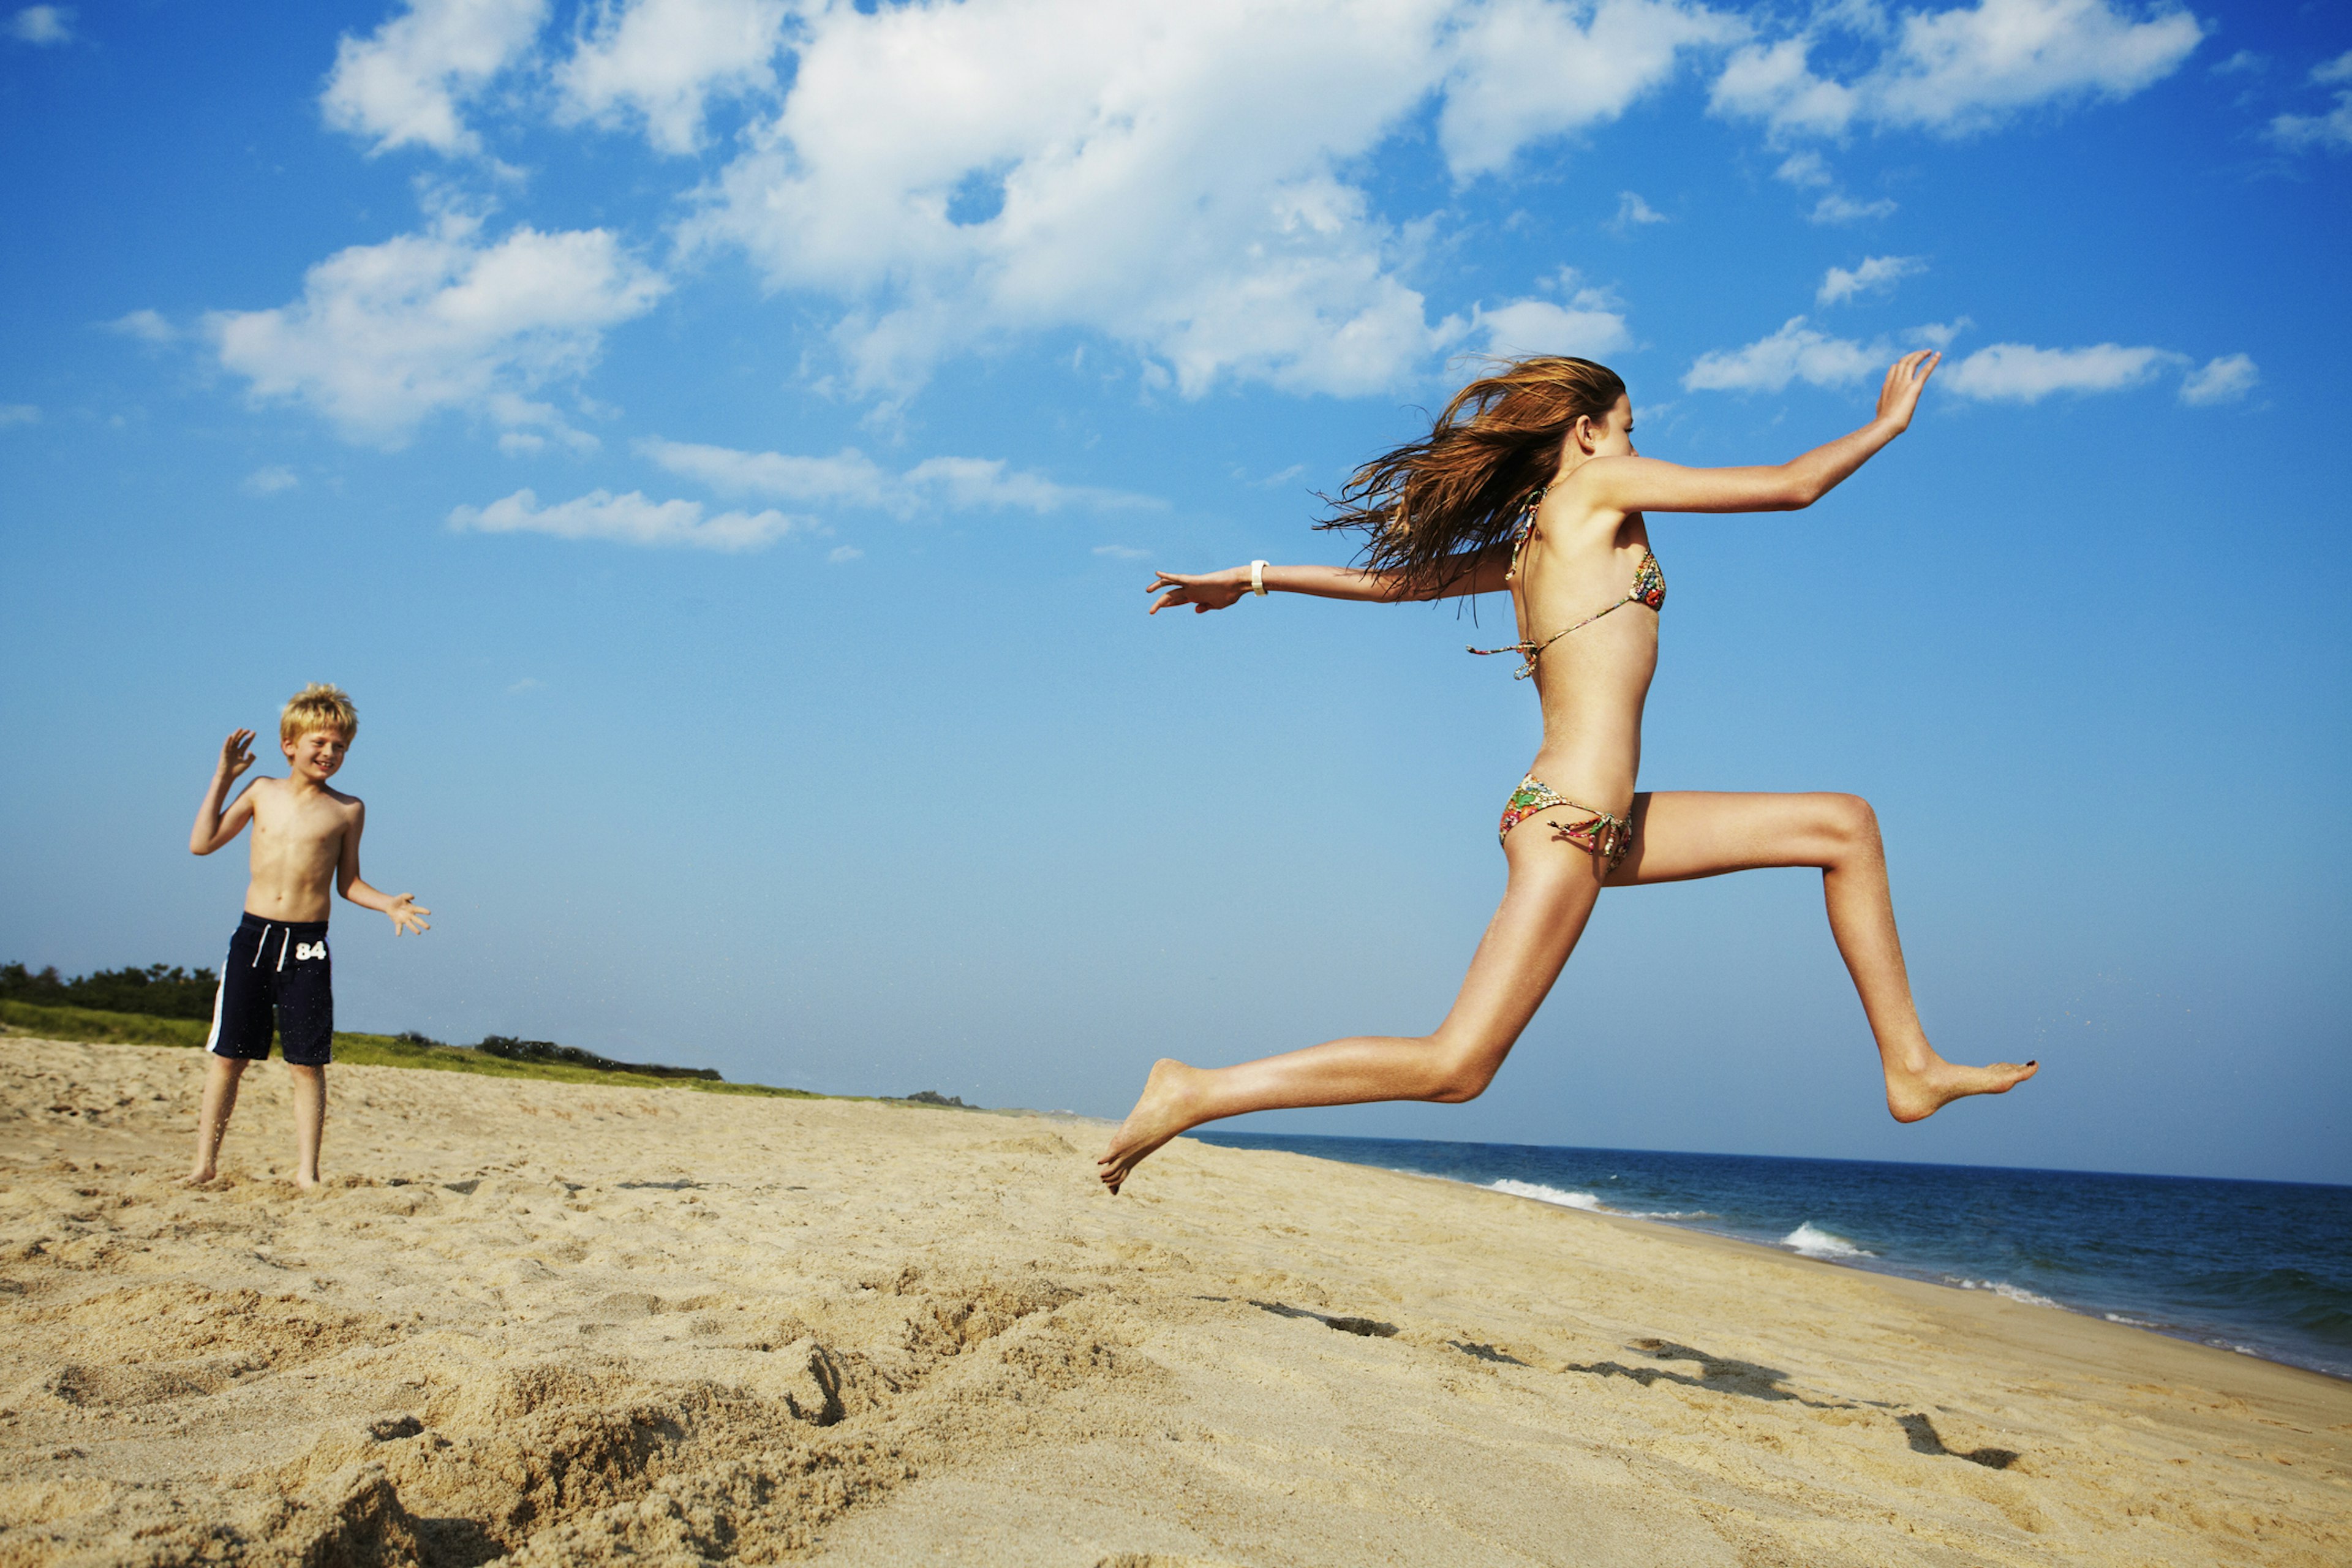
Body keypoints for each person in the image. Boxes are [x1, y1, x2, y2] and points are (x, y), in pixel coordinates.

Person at [1099, 350, 2035, 1193]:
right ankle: (1198, 1089)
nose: (1633, 447)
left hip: (1598, 819)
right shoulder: (1595, 491)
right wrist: (1885, 426)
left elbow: (1400, 583)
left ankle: (1909, 1064)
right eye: (1628, 428)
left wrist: (1255, 575)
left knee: (1844, 825)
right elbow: (1789, 487)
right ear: (1588, 432)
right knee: (1455, 1066)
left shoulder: (1534, 544)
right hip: (1570, 822)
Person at [185, 683, 429, 1188]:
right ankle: (204, 1166)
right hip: (253, 939)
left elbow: (348, 883)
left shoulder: (348, 810)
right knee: (229, 1058)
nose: (330, 753)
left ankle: (307, 1174)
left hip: (308, 946)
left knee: (306, 1063)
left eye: (340, 746)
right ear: (289, 744)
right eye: (320, 742)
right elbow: (201, 844)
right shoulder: (260, 793)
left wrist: (387, 903)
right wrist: (223, 778)